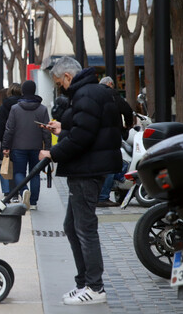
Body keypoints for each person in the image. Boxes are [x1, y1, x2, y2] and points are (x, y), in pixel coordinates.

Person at [39, 56, 122, 305]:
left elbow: (82, 138)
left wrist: (53, 153)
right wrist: (61, 130)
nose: (60, 87)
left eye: (59, 82)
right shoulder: (93, 92)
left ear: (67, 76)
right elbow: (84, 130)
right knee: (71, 227)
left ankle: (94, 287)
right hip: (89, 167)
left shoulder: (85, 95)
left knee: (84, 229)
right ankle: (84, 282)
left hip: (87, 170)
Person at [2, 80, 51, 210]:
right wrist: (48, 148)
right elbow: (46, 130)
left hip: (18, 146)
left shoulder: (15, 109)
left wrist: (5, 146)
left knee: (19, 172)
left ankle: (24, 191)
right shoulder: (42, 109)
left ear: (23, 91)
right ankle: (34, 202)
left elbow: (9, 129)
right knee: (35, 174)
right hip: (36, 146)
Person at [97, 76, 134, 207]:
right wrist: (128, 126)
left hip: (97, 135)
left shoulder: (95, 94)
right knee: (111, 165)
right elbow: (127, 110)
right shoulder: (112, 95)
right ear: (111, 84)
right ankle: (103, 196)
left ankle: (100, 194)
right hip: (112, 134)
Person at [0, 83, 22, 200]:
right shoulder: (25, 104)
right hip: (23, 140)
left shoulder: (3, 107)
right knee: (21, 167)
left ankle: (10, 192)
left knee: (7, 165)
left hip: (6, 140)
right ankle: (23, 190)